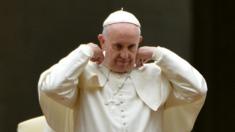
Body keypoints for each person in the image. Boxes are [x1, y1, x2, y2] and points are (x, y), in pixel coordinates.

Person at [38, 9, 207, 132]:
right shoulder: (83, 73)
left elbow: (197, 90)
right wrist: (85, 51)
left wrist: (159, 53)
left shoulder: (155, 75)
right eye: (118, 46)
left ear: (139, 42)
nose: (125, 55)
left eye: (131, 46)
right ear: (102, 41)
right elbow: (52, 87)